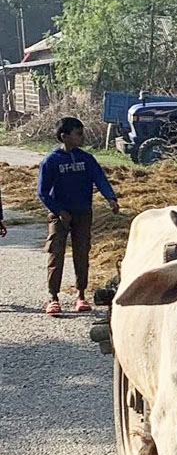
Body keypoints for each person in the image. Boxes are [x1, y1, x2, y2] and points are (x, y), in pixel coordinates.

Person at [37, 117, 120, 315]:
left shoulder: (86, 159)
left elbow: (100, 179)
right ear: (64, 136)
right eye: (78, 134)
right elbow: (42, 191)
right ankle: (53, 297)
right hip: (59, 215)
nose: (82, 137)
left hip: (83, 213)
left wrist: (111, 198)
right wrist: (59, 211)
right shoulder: (51, 160)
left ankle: (81, 295)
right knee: (56, 253)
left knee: (82, 253)